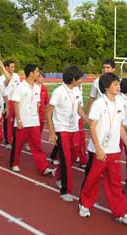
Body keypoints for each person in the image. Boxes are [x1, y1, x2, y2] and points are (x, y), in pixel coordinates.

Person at [79, 73, 127, 224]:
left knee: (115, 183)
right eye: (115, 85)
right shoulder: (99, 103)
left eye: (118, 84)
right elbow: (91, 127)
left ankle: (121, 212)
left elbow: (120, 127)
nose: (118, 87)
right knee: (92, 179)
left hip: (114, 150)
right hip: (99, 150)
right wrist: (98, 148)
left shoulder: (119, 103)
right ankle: (84, 204)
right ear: (106, 87)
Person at [46, 65, 89, 202]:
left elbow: (78, 107)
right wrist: (52, 132)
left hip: (74, 128)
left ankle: (58, 175)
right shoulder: (59, 91)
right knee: (65, 158)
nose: (82, 80)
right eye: (80, 78)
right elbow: (48, 111)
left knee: (74, 155)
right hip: (61, 128)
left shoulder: (76, 90)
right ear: (74, 79)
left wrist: (87, 120)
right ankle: (65, 190)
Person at [9, 64, 53, 176]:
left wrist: (37, 116)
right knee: (18, 145)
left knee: (37, 146)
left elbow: (37, 104)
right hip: (22, 121)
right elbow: (16, 103)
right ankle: (14, 163)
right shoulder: (20, 86)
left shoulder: (38, 87)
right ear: (31, 73)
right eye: (37, 72)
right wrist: (18, 120)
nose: (39, 74)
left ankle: (43, 167)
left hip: (34, 121)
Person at [0, 60, 21, 149]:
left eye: (14, 67)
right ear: (6, 67)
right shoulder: (1, 78)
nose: (13, 68)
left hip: (16, 102)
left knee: (16, 121)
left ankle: (15, 139)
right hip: (7, 102)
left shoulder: (16, 76)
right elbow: (6, 83)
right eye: (11, 67)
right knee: (8, 122)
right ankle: (8, 141)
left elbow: (19, 88)